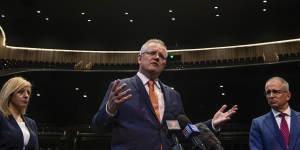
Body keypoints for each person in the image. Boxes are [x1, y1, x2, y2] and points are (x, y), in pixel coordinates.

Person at [92, 39, 238, 150]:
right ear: (139, 58)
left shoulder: (173, 95)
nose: (157, 57)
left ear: (164, 64)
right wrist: (109, 109)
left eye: (161, 56)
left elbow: (182, 131)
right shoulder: (120, 87)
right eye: (152, 53)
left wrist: (211, 124)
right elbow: (97, 128)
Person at [249, 77, 300, 150]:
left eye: (276, 92)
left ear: (288, 96)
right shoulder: (258, 124)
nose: (271, 96)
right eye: (268, 92)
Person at [0, 77, 39, 150]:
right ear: (9, 94)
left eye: (28, 92)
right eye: (21, 92)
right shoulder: (1, 118)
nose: (26, 96)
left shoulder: (31, 123)